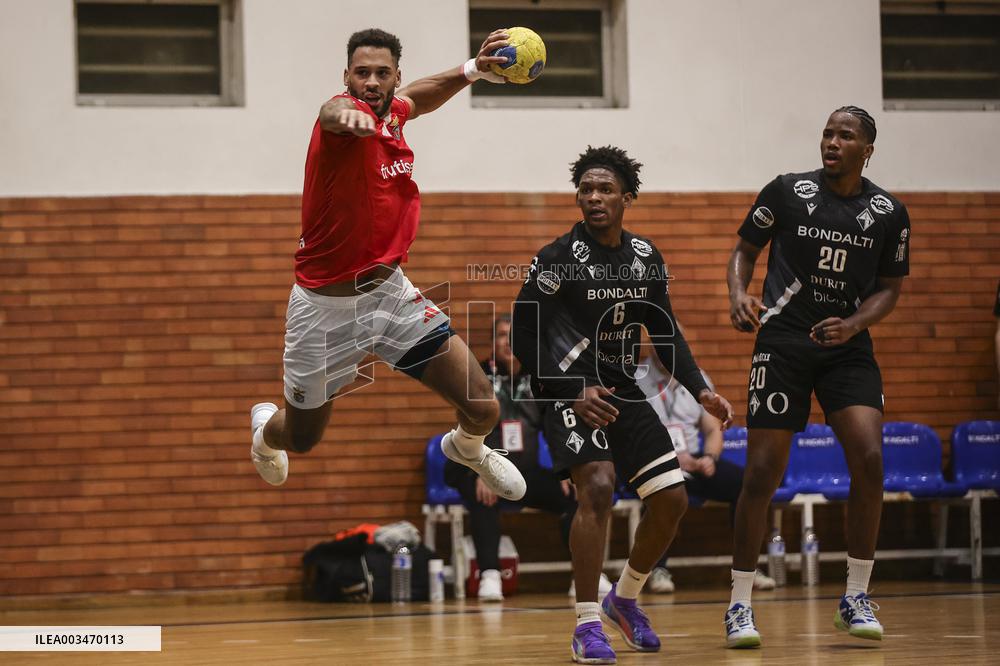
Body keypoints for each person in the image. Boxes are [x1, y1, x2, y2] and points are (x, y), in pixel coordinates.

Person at [249, 28, 526, 505]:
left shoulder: (395, 112)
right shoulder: (340, 120)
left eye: (382, 74)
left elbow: (420, 97)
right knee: (302, 438)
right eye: (362, 74)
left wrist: (473, 70)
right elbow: (331, 113)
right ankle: (262, 433)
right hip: (322, 314)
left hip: (390, 296)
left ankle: (465, 447)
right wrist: (350, 118)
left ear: (396, 76)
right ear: (347, 78)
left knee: (484, 405)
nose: (371, 82)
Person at [512, 146, 733, 664]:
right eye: (586, 189)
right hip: (567, 390)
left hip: (621, 389)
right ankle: (587, 625)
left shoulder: (645, 257)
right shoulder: (557, 257)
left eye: (605, 189)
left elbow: (666, 332)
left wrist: (700, 388)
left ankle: (625, 600)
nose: (593, 197)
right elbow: (525, 336)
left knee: (673, 499)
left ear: (627, 197)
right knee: (599, 487)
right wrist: (571, 391)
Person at [725, 106, 910, 648]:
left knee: (871, 460)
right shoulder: (786, 191)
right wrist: (739, 291)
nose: (832, 141)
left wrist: (853, 324)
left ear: (867, 149)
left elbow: (890, 289)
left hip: (846, 347)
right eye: (828, 133)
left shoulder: (888, 213)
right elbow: (745, 252)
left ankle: (855, 595)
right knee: (761, 474)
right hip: (782, 344)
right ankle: (739, 604)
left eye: (845, 135)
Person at [444, 315, 611, 601]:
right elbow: (466, 425)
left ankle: (585, 575)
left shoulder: (539, 380)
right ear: (492, 344)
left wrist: (568, 469)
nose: (507, 343)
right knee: (483, 495)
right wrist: (479, 471)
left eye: (512, 337)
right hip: (476, 466)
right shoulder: (478, 376)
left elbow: (553, 427)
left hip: (525, 471)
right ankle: (490, 574)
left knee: (576, 497)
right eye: (501, 336)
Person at [635, 353, 776, 594]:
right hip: (651, 460)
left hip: (694, 461)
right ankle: (656, 569)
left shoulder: (698, 379)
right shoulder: (637, 377)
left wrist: (709, 458)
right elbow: (631, 432)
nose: (664, 350)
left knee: (749, 487)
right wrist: (670, 458)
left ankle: (748, 569)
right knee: (660, 492)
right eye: (659, 344)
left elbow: (712, 430)